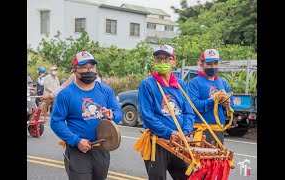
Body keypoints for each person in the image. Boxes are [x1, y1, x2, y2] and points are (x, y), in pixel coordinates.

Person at [50, 51, 123, 180]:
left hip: (102, 149)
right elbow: (56, 122)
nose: (89, 70)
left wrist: (112, 115)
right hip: (78, 150)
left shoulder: (105, 90)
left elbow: (118, 111)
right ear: (74, 70)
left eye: (92, 67)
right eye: (84, 67)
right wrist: (76, 141)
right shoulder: (65, 94)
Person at [135, 44, 195, 180]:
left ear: (174, 61)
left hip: (179, 142)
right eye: (158, 59)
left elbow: (189, 112)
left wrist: (184, 133)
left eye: (166, 59)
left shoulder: (180, 84)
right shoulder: (147, 84)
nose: (162, 62)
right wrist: (170, 133)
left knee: (187, 176)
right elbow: (148, 116)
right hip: (158, 142)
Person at [186, 49, 234, 145]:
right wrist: (213, 100)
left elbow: (231, 102)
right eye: (209, 64)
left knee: (218, 159)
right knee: (201, 159)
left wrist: (226, 103)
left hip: (219, 129)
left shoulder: (222, 82)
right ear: (201, 65)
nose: (213, 67)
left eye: (215, 63)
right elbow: (193, 106)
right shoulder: (194, 83)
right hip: (201, 130)